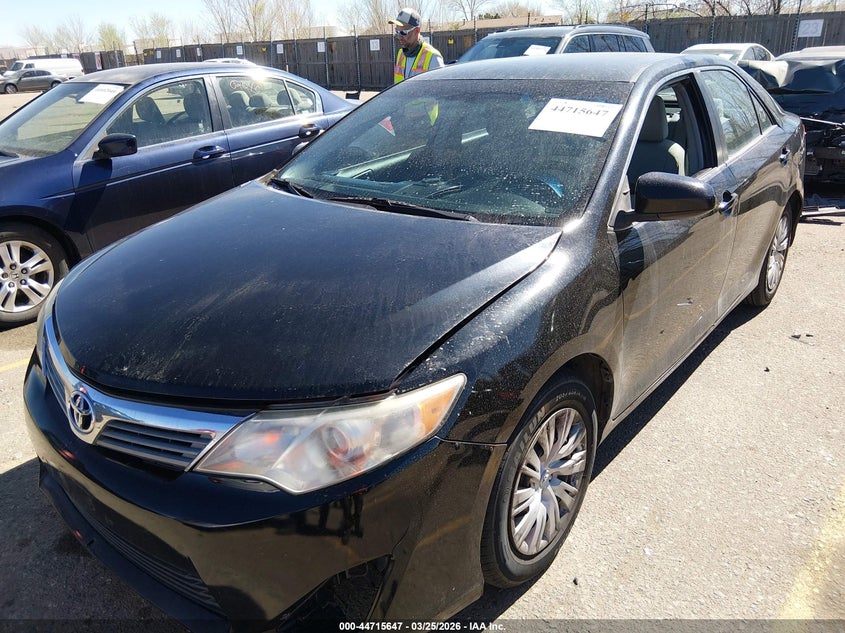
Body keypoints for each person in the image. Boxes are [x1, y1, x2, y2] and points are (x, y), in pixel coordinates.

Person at [389, 8, 444, 84]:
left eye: (403, 32)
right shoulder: (401, 54)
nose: (399, 36)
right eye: (397, 31)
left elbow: (440, 91)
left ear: (417, 31)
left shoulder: (432, 57)